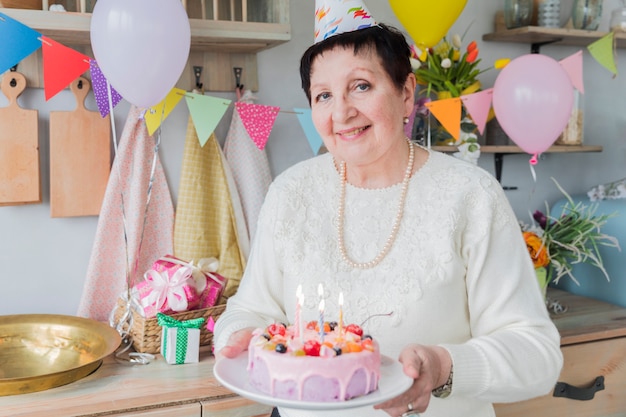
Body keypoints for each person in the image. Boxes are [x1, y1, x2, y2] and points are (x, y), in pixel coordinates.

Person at [214, 20, 563, 417]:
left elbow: (537, 355)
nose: (342, 112)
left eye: (361, 86)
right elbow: (249, 310)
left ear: (406, 93)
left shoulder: (472, 196)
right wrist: (239, 336)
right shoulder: (290, 193)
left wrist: (443, 366)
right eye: (323, 95)